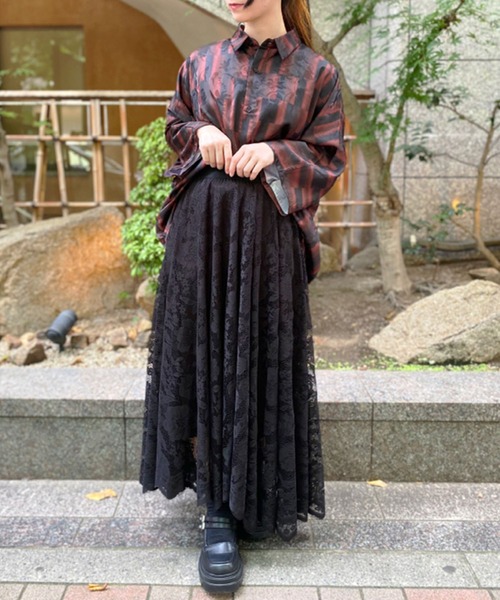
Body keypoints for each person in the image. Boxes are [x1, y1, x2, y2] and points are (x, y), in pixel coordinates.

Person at [140, 0, 346, 593]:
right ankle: (217, 510)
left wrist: (278, 152)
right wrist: (200, 131)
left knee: (256, 355)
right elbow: (176, 124)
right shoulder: (201, 64)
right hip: (200, 238)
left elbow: (328, 152)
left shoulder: (316, 74)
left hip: (268, 244)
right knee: (205, 359)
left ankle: (256, 491)